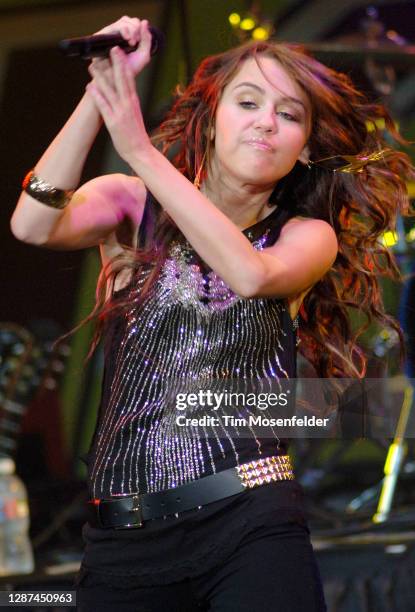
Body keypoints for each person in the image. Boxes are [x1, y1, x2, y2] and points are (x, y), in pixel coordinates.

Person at [11, 16, 414, 612]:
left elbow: (250, 276)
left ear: (305, 147)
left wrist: (143, 152)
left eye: (290, 114)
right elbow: (32, 223)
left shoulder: (306, 234)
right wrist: (101, 93)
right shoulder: (133, 201)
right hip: (123, 537)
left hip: (248, 523)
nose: (265, 123)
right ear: (213, 116)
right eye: (248, 101)